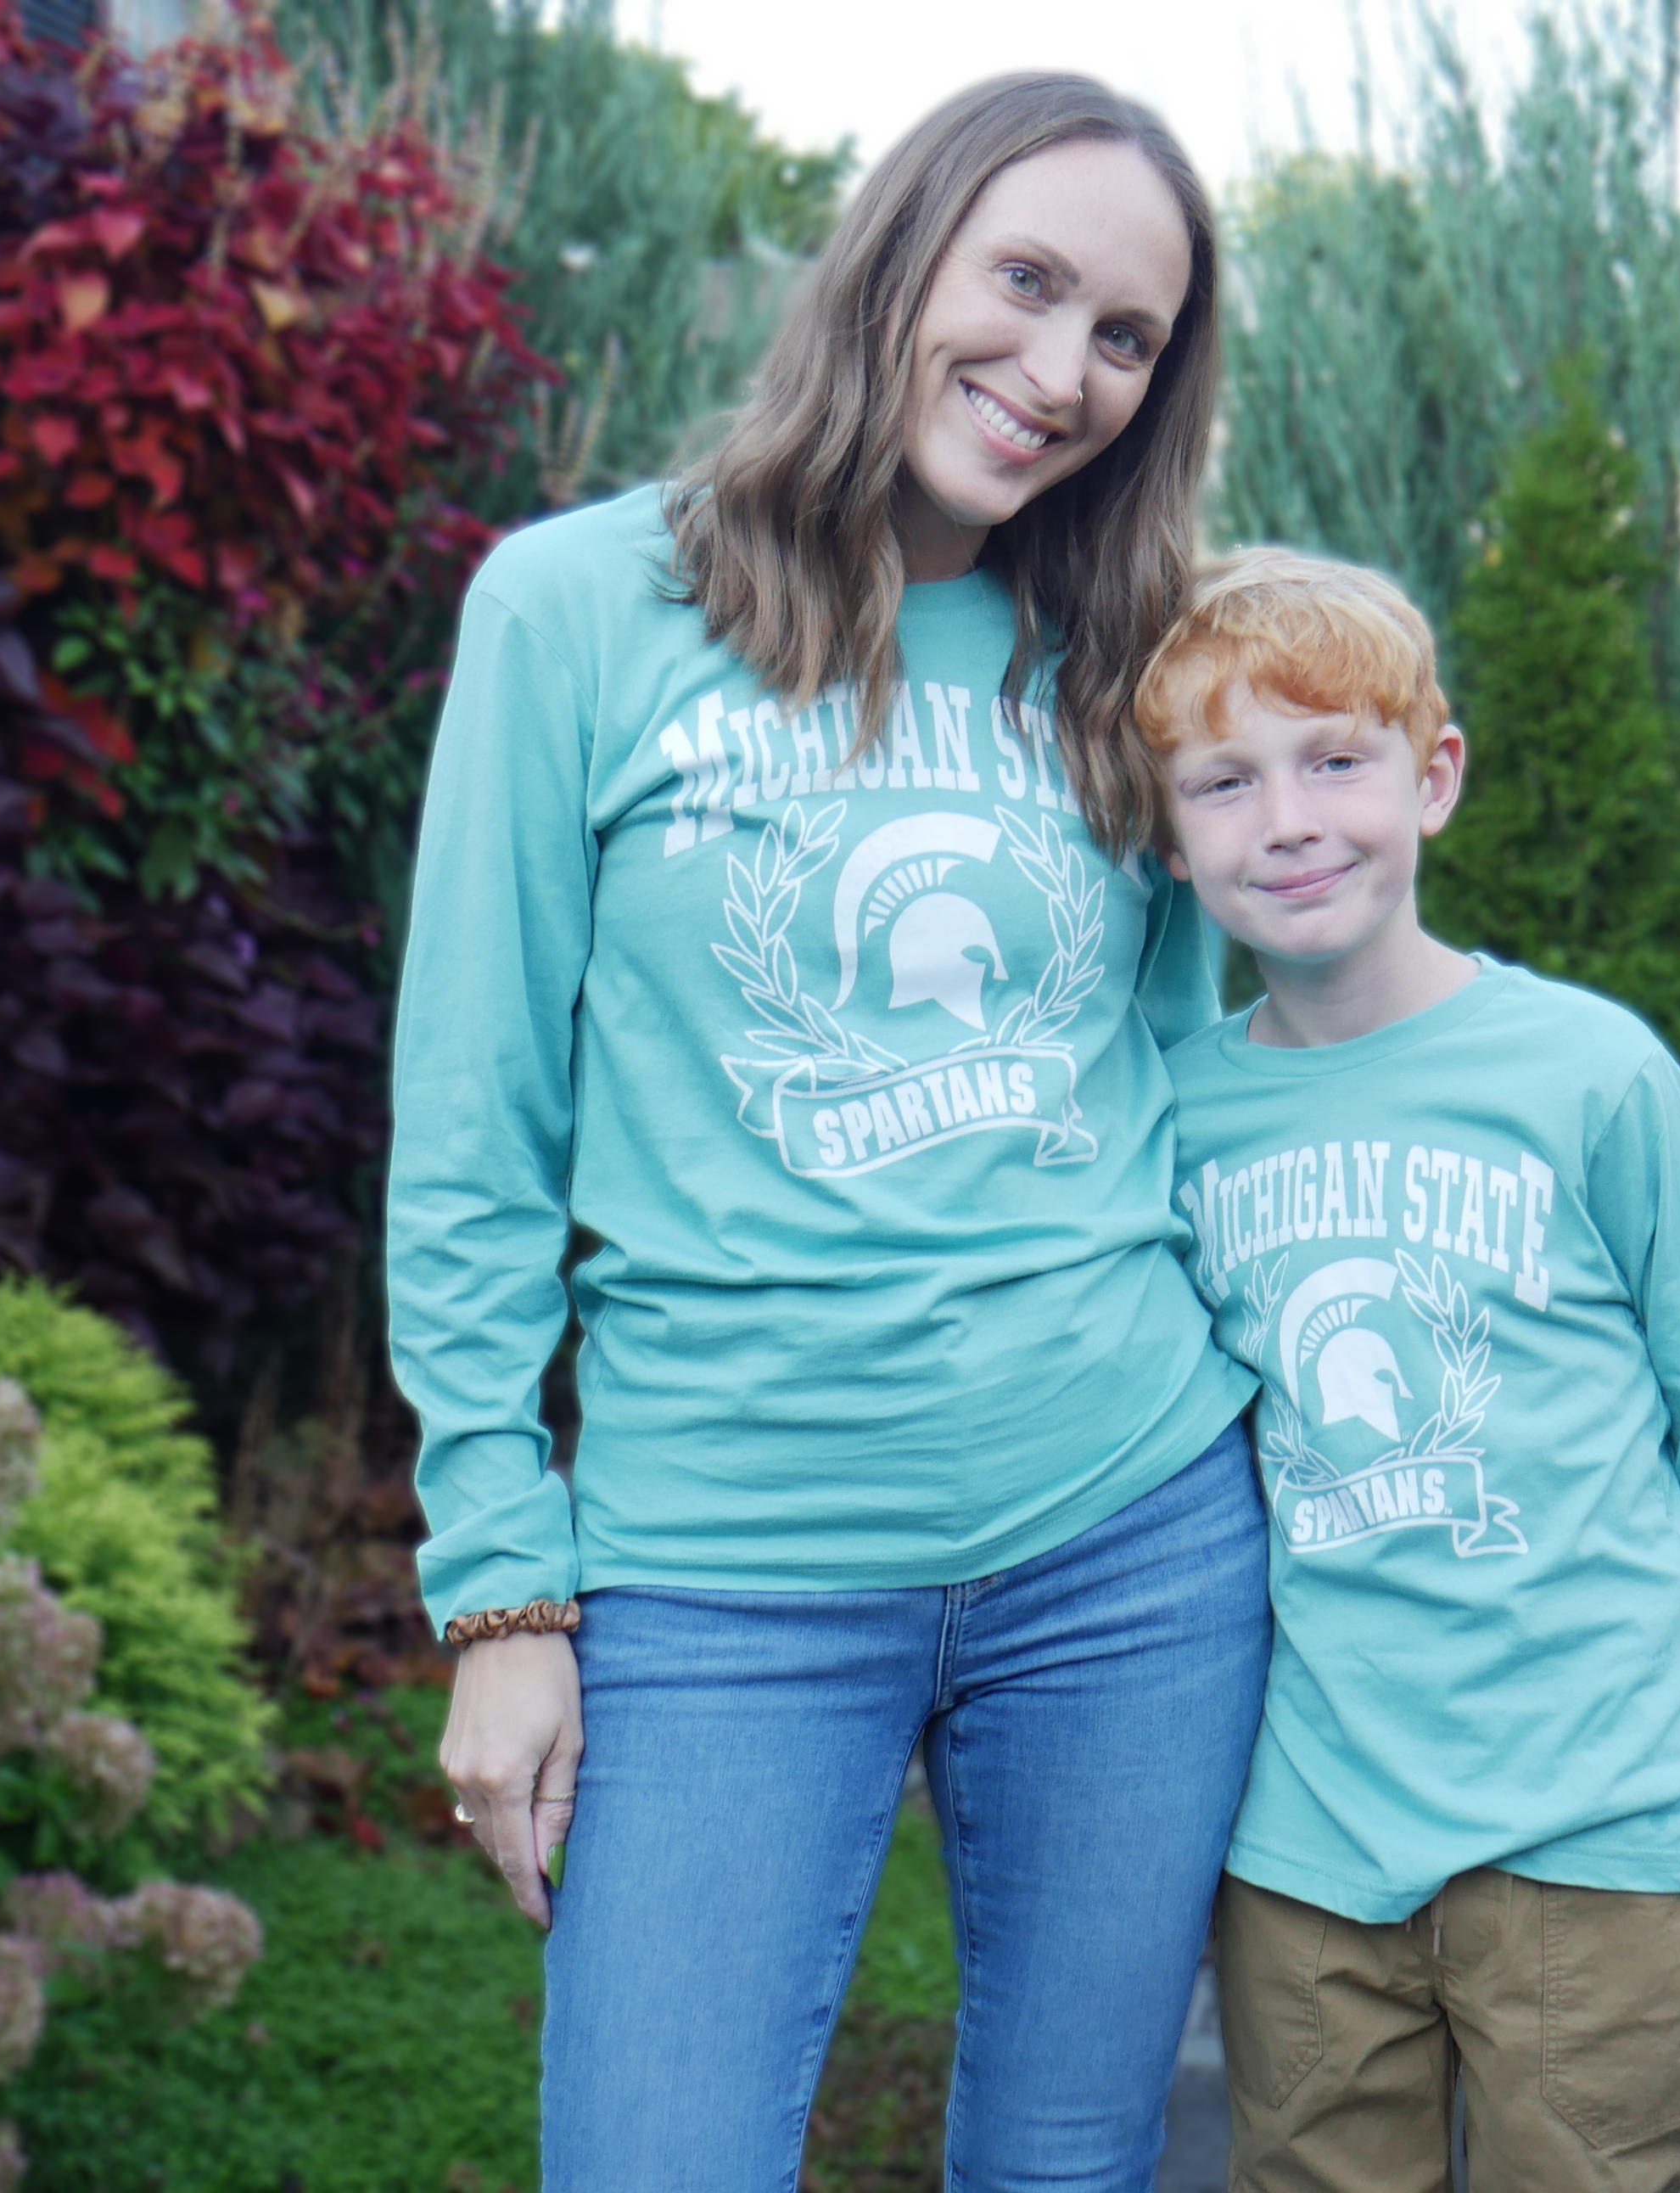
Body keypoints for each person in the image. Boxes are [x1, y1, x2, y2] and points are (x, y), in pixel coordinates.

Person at [385, 76, 1268, 2190]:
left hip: (1131, 1542)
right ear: (903, 259)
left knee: (1066, 2163)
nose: (1060, 374)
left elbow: (1182, 1088)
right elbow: (472, 1133)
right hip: (722, 1576)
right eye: (1029, 282)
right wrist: (505, 1599)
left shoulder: (1130, 653)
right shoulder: (582, 609)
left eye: (1126, 336)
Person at [1136, 549, 1680, 2193]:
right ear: (1166, 836)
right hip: (1308, 1837)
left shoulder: (1589, 1073)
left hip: (1595, 1831)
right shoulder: (1175, 1117)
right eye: (1223, 780)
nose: (1285, 819)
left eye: (1333, 759)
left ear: (1432, 777)